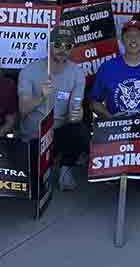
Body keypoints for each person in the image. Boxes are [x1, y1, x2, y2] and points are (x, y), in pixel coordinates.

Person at [17, 25, 88, 190]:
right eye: (57, 45)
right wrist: (41, 96)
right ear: (48, 45)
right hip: (35, 134)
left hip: (59, 132)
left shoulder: (77, 73)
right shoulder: (29, 70)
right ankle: (44, 166)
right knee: (35, 188)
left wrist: (77, 114)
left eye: (68, 46)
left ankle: (66, 167)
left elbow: (75, 108)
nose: (62, 50)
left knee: (81, 131)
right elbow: (22, 109)